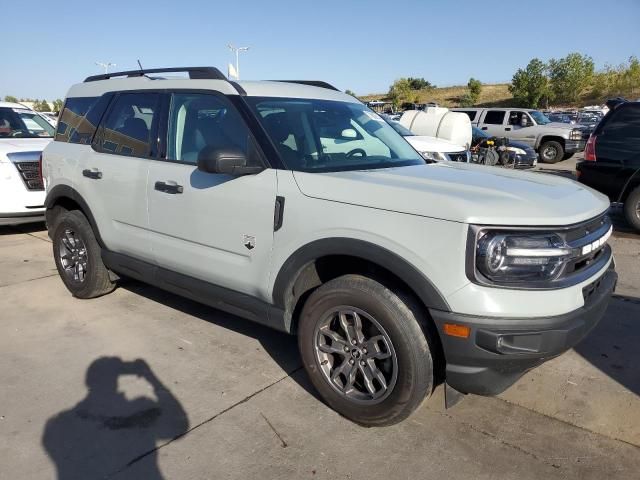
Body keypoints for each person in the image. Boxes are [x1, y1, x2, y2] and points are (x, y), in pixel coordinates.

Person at [42, 357, 188, 479]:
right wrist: (151, 378)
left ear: (89, 382)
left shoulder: (57, 424)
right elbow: (179, 425)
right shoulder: (140, 407)